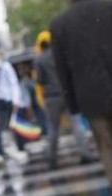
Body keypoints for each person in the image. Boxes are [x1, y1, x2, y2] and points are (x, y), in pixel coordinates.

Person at [50, 0, 112, 184]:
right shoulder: (108, 8)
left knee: (105, 146)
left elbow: (62, 68)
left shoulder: (60, 23)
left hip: (89, 96)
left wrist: (73, 104)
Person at [34, 31, 94, 169]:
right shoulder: (61, 55)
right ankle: (86, 153)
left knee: (53, 129)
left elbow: (40, 81)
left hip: (51, 98)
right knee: (77, 125)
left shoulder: (39, 60)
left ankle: (52, 159)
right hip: (67, 94)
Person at [0, 47, 24, 160]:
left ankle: (20, 146)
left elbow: (13, 83)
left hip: (7, 99)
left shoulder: (4, 67)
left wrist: (16, 100)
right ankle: (0, 150)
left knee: (13, 124)